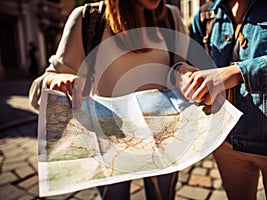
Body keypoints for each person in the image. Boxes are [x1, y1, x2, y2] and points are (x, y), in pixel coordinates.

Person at [29, 0, 187, 199]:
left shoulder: (171, 17)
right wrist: (55, 80)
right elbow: (37, 91)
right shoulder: (88, 19)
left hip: (164, 137)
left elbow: (182, 68)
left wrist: (186, 74)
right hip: (110, 142)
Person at [175, 0, 267, 199]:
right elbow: (189, 62)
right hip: (225, 143)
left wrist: (239, 72)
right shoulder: (204, 15)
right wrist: (184, 73)